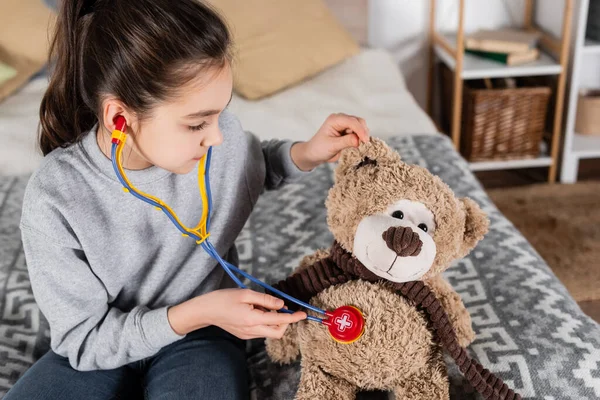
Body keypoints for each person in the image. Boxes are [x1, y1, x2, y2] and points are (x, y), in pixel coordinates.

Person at [4, 0, 370, 399]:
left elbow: (250, 165)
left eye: (219, 115)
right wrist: (202, 309)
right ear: (118, 119)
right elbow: (83, 341)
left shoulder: (217, 139)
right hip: (101, 342)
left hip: (202, 337)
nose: (216, 137)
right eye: (196, 123)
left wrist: (306, 153)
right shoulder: (56, 196)